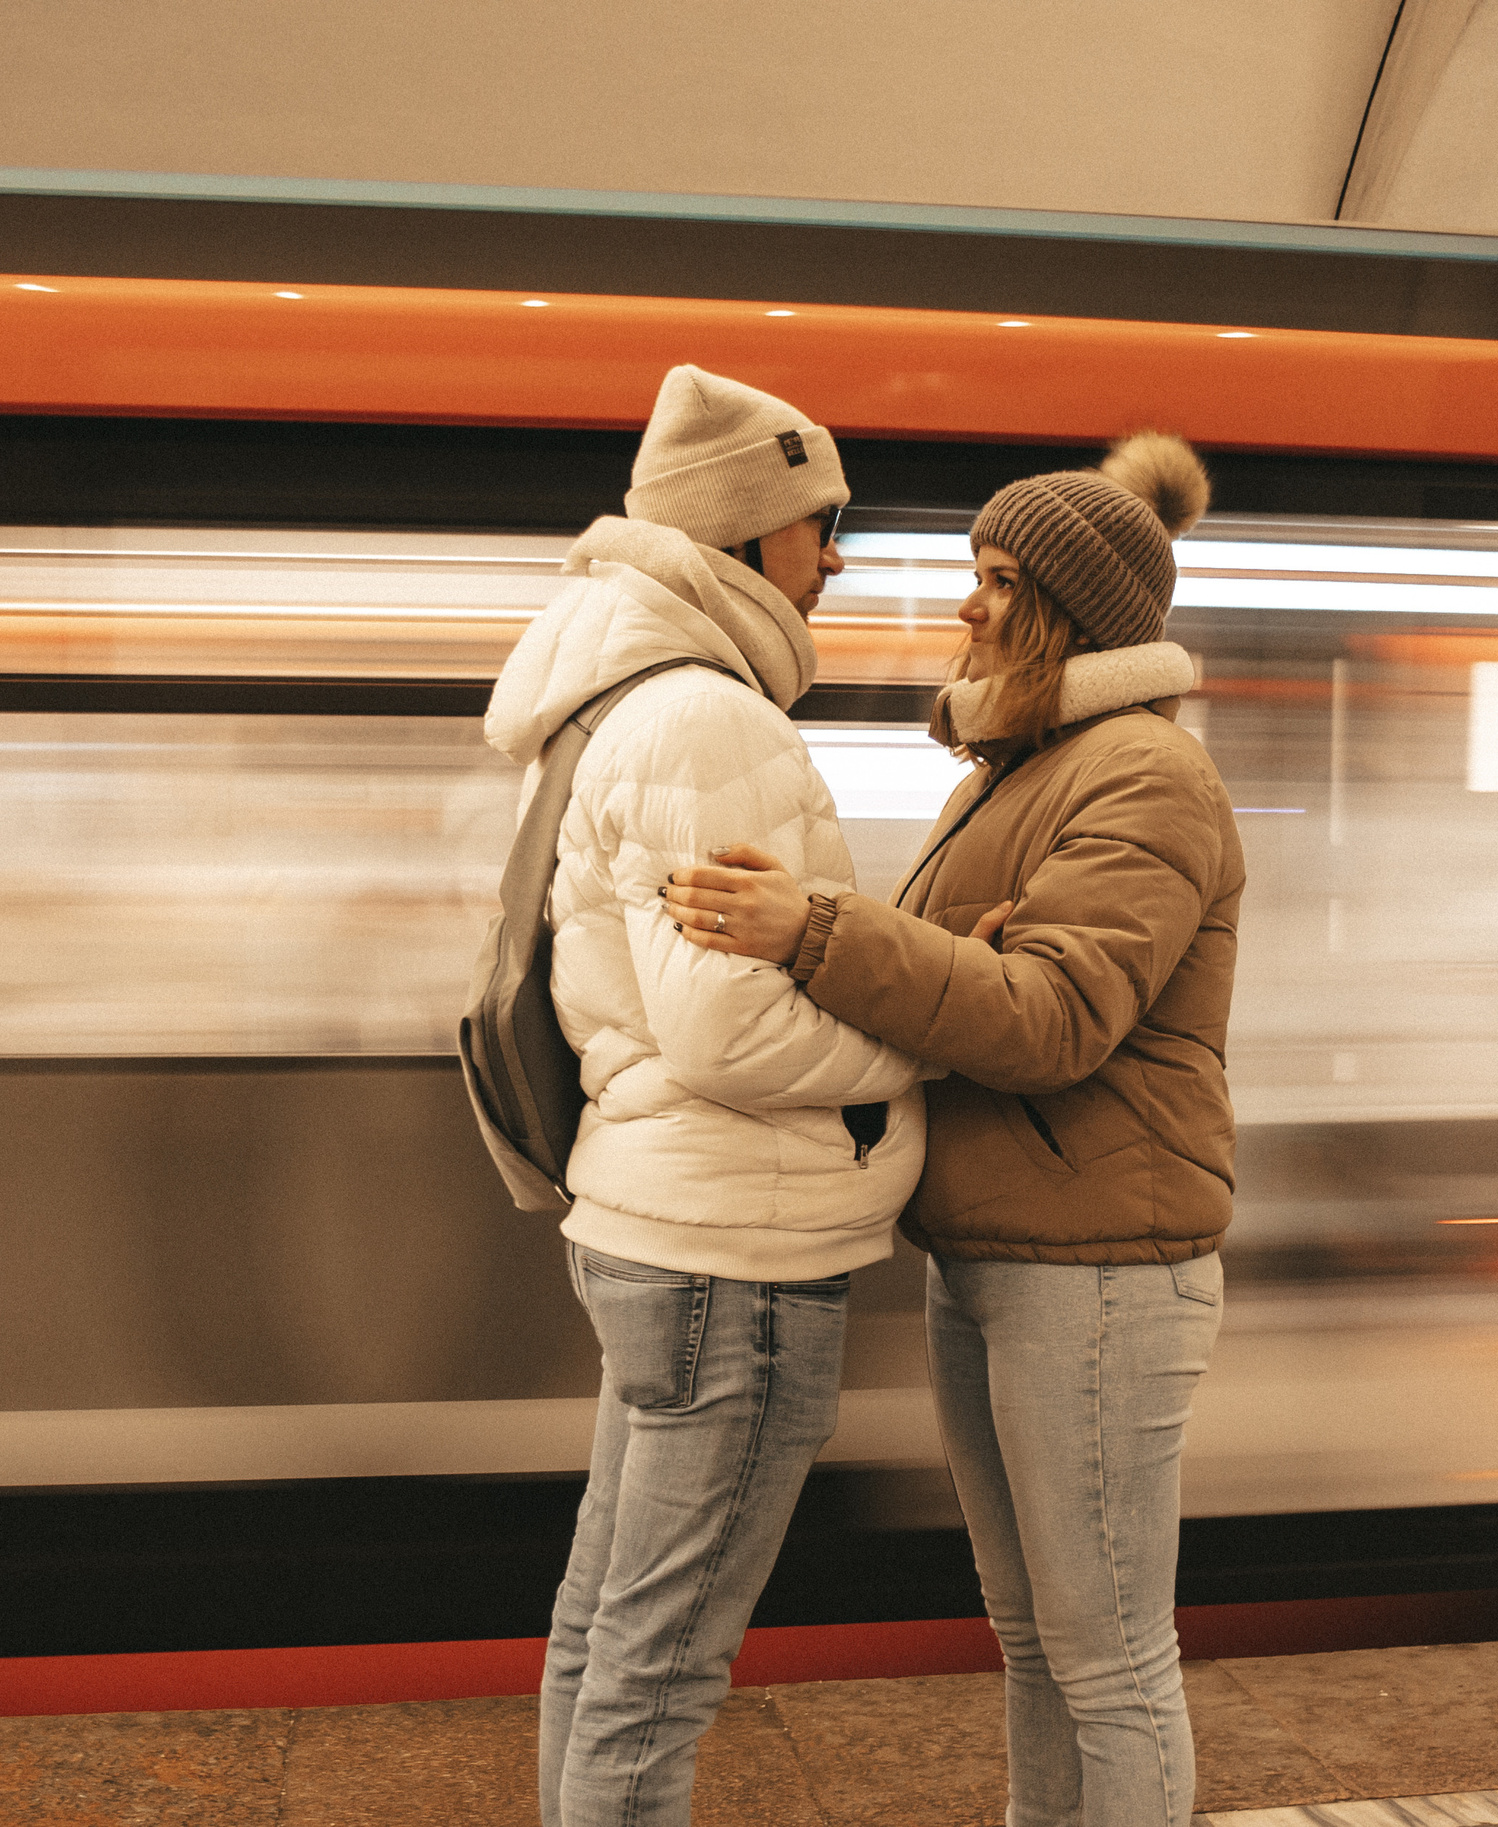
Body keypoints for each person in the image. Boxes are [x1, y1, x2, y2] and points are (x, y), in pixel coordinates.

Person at [658, 433, 1244, 1827]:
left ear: (1066, 606)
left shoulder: (1142, 777)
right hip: (998, 1252)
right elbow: (972, 985)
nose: (965, 607)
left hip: (1101, 1271)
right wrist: (947, 956)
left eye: (994, 579)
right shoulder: (1023, 769)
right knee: (1038, 1638)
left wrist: (825, 932)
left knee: (1108, 1659)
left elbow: (1047, 1019)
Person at [486, 364, 928, 1827]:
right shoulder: (704, 719)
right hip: (733, 1254)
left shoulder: (620, 699)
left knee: (605, 1639)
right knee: (656, 1674)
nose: (839, 558)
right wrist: (916, 1044)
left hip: (661, 1226)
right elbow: (730, 1033)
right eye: (820, 524)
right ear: (747, 538)